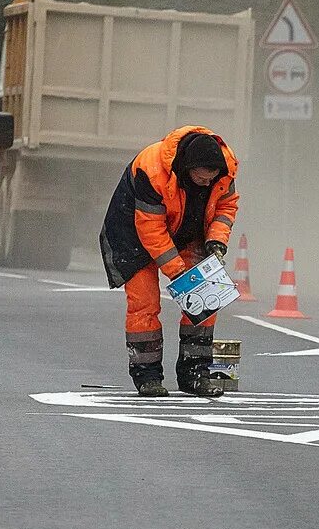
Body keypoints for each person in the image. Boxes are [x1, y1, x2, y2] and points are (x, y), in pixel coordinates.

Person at [99, 126, 240, 397]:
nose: (207, 185)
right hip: (134, 234)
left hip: (187, 229)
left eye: (211, 180)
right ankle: (148, 376)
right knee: (145, 304)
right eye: (201, 180)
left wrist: (216, 240)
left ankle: (195, 373)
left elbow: (226, 206)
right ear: (187, 169)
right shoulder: (151, 171)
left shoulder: (225, 168)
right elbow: (151, 230)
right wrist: (178, 273)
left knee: (205, 299)